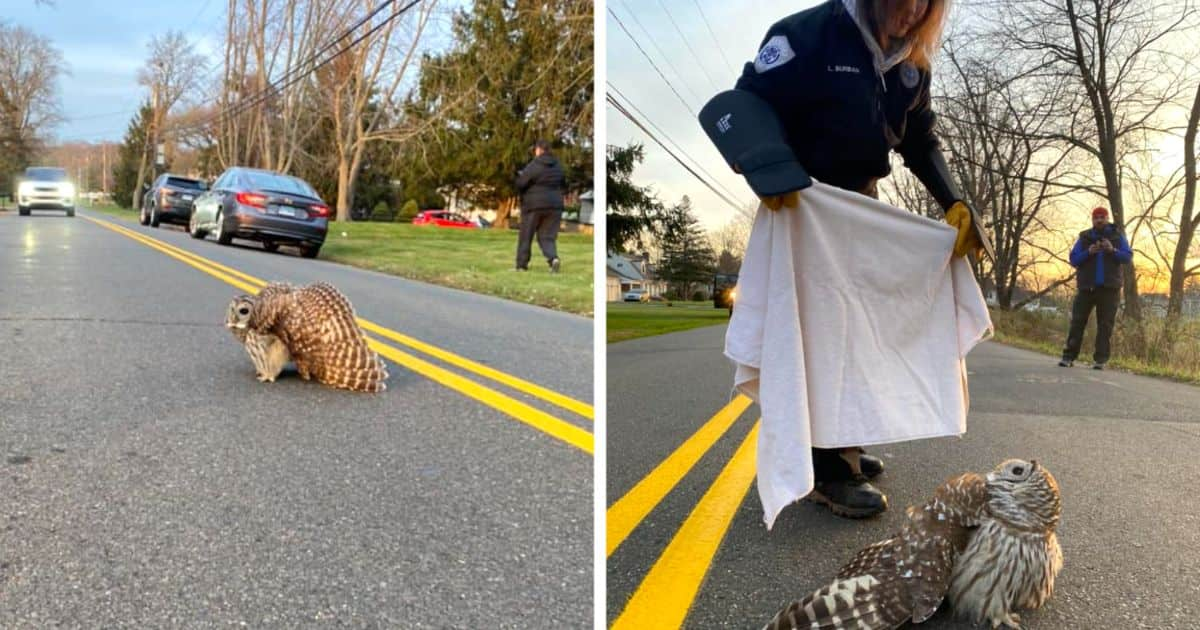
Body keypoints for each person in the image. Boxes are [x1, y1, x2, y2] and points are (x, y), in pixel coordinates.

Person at [700, 0, 991, 519]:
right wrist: (765, 164)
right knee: (821, 338)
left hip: (860, 210)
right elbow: (747, 101)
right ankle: (826, 466)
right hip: (803, 205)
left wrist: (954, 200)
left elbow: (921, 140)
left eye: (925, 5)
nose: (912, 13)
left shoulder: (909, 64)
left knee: (860, 335)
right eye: (904, 2)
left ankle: (844, 442)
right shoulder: (806, 35)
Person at [1059, 206, 1132, 370]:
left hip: (1109, 289)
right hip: (1086, 288)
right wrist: (1088, 252)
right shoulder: (1084, 237)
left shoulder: (1117, 236)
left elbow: (1127, 256)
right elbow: (1074, 259)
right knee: (1077, 322)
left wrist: (1112, 250)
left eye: (1102, 217)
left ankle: (1100, 360)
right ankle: (1068, 356)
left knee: (1105, 325)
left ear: (1107, 219)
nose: (1099, 220)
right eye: (1096, 217)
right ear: (1092, 220)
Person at [514, 139, 566, 273]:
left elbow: (521, 183)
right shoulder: (558, 166)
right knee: (547, 236)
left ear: (538, 150)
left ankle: (521, 265)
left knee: (526, 235)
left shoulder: (534, 165)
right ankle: (553, 258)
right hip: (554, 206)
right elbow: (564, 184)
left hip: (533, 205)